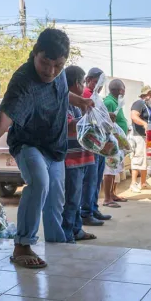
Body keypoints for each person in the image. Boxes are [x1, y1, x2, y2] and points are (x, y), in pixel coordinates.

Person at [0, 28, 93, 268]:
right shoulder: (23, 81)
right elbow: (5, 115)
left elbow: (61, 94)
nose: (50, 71)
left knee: (55, 201)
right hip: (29, 144)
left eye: (58, 66)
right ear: (34, 54)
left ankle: (57, 243)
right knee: (39, 182)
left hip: (55, 148)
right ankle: (22, 245)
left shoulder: (59, 75)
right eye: (45, 63)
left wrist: (79, 100)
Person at [62, 65, 98, 242]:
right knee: (71, 200)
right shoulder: (65, 102)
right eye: (83, 82)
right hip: (72, 159)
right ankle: (68, 234)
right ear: (76, 83)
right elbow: (70, 126)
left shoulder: (78, 104)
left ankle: (77, 230)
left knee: (76, 198)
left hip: (82, 156)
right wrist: (92, 119)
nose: (84, 86)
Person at [79, 67, 111, 226]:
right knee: (90, 180)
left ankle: (93, 207)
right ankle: (86, 212)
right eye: (98, 81)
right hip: (92, 144)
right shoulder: (85, 95)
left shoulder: (96, 96)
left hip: (99, 142)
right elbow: (91, 118)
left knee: (96, 179)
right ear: (90, 80)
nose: (100, 85)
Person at [101, 79, 130, 207]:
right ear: (120, 90)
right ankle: (107, 198)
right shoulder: (109, 102)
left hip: (117, 142)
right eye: (124, 89)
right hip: (111, 142)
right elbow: (106, 123)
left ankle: (112, 194)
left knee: (114, 169)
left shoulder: (114, 102)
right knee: (110, 168)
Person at [130, 85, 151, 193]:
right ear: (144, 95)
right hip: (139, 136)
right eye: (150, 94)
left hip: (147, 137)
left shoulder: (149, 106)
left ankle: (143, 183)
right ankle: (133, 183)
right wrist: (144, 123)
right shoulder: (139, 103)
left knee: (145, 160)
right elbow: (134, 116)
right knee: (138, 159)